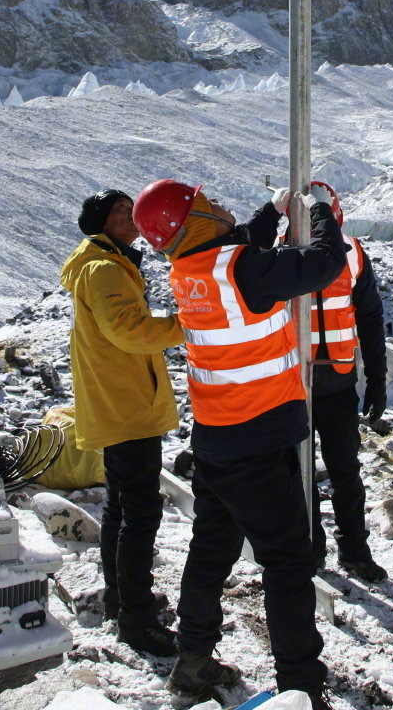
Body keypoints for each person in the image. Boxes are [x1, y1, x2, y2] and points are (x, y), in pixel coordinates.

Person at [132, 179, 346, 707]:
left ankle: (194, 659)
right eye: (208, 204)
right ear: (194, 222)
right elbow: (324, 264)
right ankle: (301, 685)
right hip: (261, 438)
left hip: (216, 437)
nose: (219, 206)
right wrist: (320, 211)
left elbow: (241, 244)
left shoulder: (193, 269)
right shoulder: (244, 270)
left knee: (213, 546)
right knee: (288, 562)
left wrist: (271, 213)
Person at [59, 188, 183, 656]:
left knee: (121, 507)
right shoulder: (105, 269)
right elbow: (130, 331)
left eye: (131, 210)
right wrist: (184, 324)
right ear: (99, 223)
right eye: (118, 212)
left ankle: (120, 598)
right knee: (140, 512)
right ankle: (137, 619)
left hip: (117, 401)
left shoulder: (104, 263)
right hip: (127, 405)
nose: (130, 217)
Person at [262, 182, 388, 582]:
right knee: (298, 472)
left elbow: (369, 317)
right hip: (291, 382)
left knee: (345, 470)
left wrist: (378, 377)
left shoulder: (351, 253)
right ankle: (310, 550)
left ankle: (354, 550)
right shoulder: (273, 251)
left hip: (335, 380)